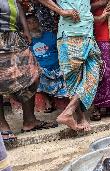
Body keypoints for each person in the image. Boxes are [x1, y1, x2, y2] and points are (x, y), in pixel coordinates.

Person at [37, 0, 102, 131]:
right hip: (70, 35)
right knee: (74, 80)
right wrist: (61, 11)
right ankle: (80, 117)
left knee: (93, 74)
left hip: (88, 34)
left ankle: (68, 112)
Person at [0, 0, 57, 142]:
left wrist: (25, 30)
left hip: (14, 36)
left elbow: (17, 4)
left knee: (33, 73)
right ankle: (2, 125)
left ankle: (29, 120)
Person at [26, 14, 68, 113]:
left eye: (34, 21)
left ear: (39, 22)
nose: (33, 24)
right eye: (29, 23)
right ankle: (48, 102)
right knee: (36, 75)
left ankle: (68, 106)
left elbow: (61, 50)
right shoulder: (28, 41)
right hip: (42, 71)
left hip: (57, 68)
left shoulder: (50, 35)